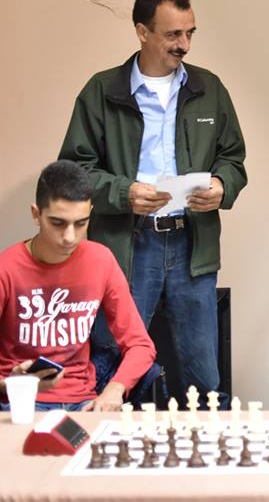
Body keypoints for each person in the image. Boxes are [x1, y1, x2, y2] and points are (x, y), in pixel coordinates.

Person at [58, 0, 246, 403]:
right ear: (142, 32)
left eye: (190, 33)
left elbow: (233, 158)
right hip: (127, 245)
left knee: (203, 375)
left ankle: (202, 445)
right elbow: (74, 170)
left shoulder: (209, 88)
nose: (185, 44)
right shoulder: (101, 91)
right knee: (112, 365)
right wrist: (124, 193)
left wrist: (222, 185)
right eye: (173, 34)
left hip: (191, 242)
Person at [0, 161, 155, 411]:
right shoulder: (6, 268)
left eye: (81, 223)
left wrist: (114, 390)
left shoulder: (101, 260)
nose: (70, 237)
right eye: (58, 223)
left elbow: (140, 345)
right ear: (36, 214)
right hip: (20, 402)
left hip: (83, 401)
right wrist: (10, 385)